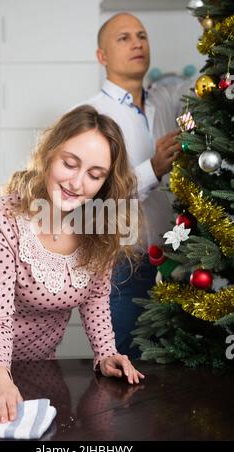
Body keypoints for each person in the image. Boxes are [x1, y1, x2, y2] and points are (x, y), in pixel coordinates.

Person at [0, 105, 144, 424]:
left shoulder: (101, 225)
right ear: (49, 153)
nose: (76, 182)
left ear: (105, 183)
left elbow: (96, 298)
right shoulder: (4, 217)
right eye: (69, 164)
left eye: (94, 174)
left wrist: (106, 353)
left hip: (34, 361)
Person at [83, 12, 190, 358]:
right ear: (102, 57)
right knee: (124, 376)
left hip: (177, 264)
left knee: (175, 376)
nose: (137, 43)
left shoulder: (167, 101)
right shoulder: (88, 116)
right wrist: (153, 168)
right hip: (121, 270)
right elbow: (89, 195)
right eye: (124, 37)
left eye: (142, 35)